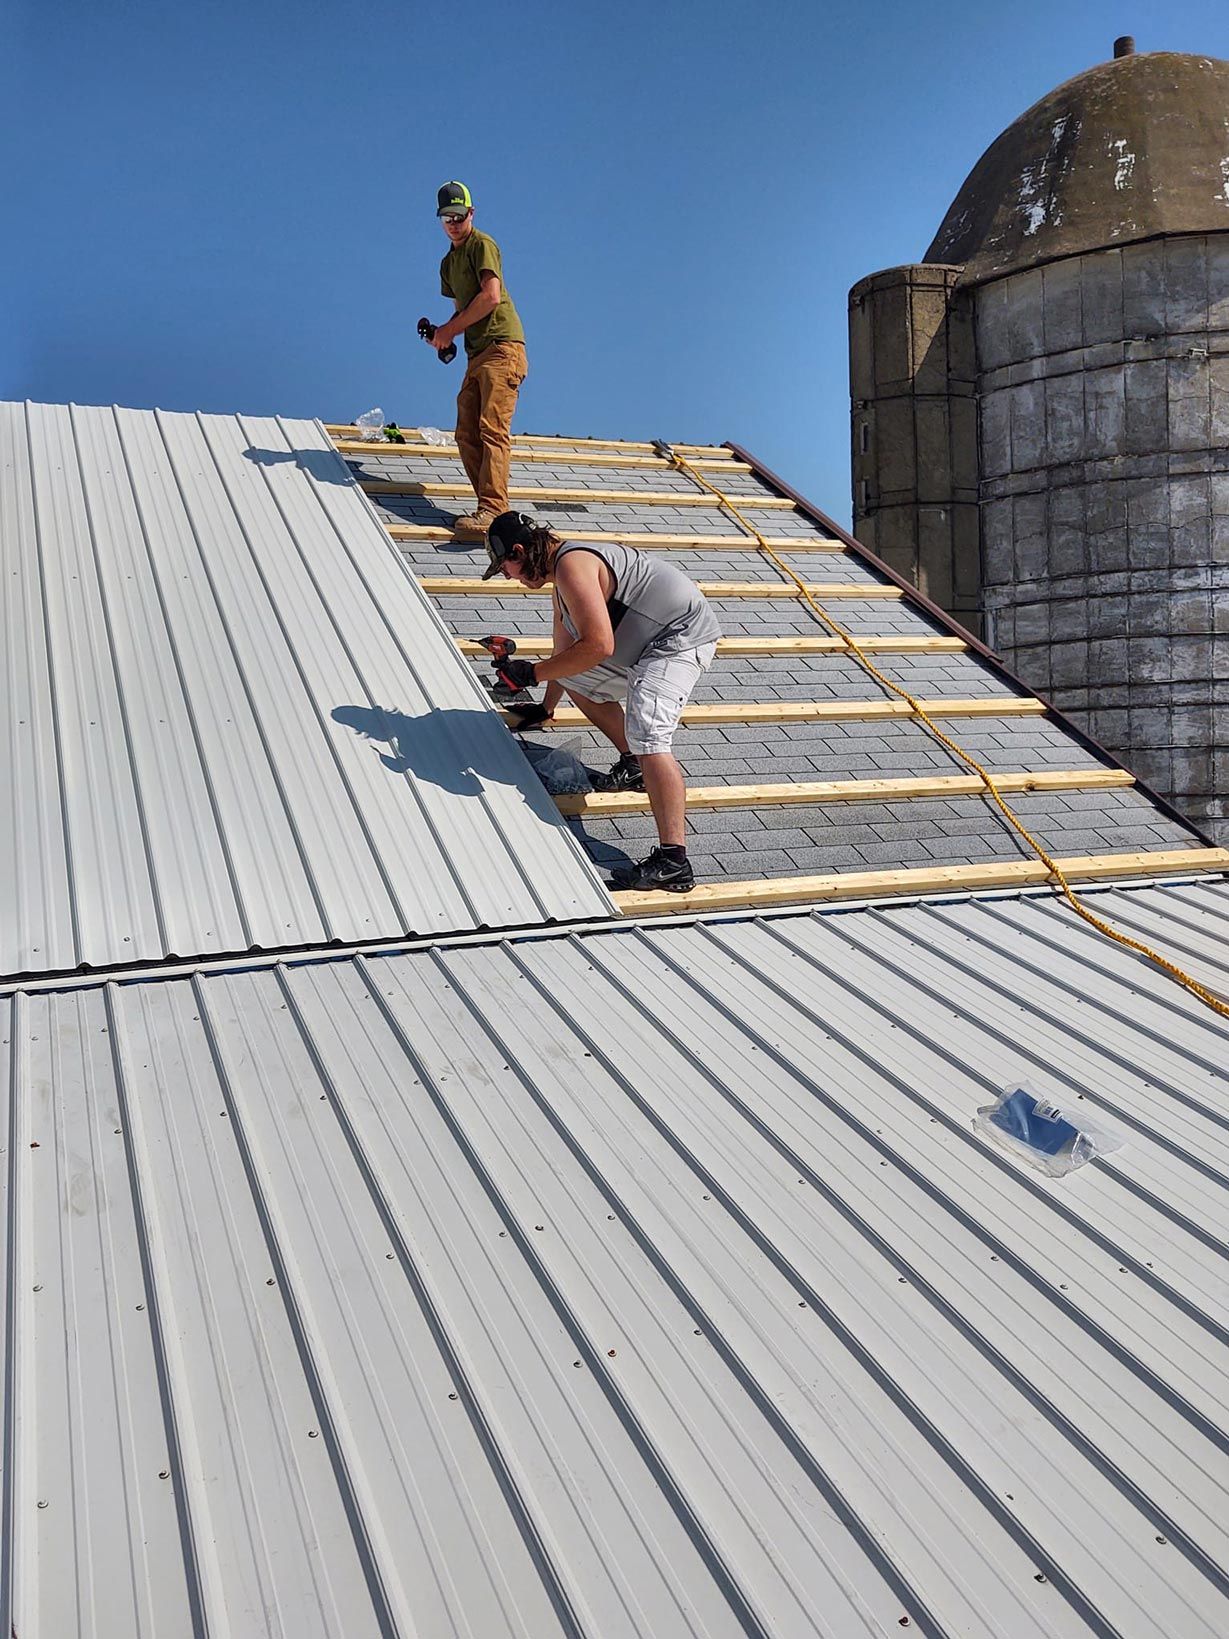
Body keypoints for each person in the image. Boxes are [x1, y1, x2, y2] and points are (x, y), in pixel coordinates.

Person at [482, 512, 722, 892]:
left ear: (518, 551)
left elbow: (598, 646)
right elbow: (564, 658)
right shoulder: (561, 582)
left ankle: (674, 861)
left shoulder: (572, 566)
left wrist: (531, 674)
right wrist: (545, 707)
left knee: (650, 736)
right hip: (646, 645)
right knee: (573, 674)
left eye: (505, 566)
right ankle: (635, 765)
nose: (508, 576)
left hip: (677, 638)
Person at [422, 181, 527, 542]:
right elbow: (462, 310)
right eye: (447, 216)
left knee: (491, 427)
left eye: (460, 215)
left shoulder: (482, 244)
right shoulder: (448, 264)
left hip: (502, 346)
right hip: (477, 352)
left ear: (471, 213)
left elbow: (490, 297)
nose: (453, 222)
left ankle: (495, 509)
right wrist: (445, 338)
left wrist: (449, 330)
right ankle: (488, 506)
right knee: (466, 431)